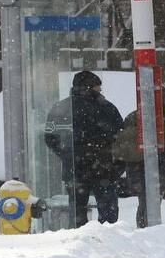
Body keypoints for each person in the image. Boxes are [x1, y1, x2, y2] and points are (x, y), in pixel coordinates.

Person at [43, 70, 124, 227]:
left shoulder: (62, 108)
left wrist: (68, 155)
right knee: (108, 212)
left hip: (75, 169)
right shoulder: (106, 108)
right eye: (97, 86)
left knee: (77, 212)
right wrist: (115, 162)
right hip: (103, 169)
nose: (100, 89)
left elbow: (50, 137)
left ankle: (79, 236)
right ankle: (108, 236)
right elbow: (121, 137)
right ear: (88, 87)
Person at [113, 86, 165, 228]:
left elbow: (122, 143)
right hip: (156, 168)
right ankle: (149, 231)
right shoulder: (162, 118)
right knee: (152, 202)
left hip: (135, 166)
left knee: (144, 201)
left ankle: (143, 229)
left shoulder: (134, 115)